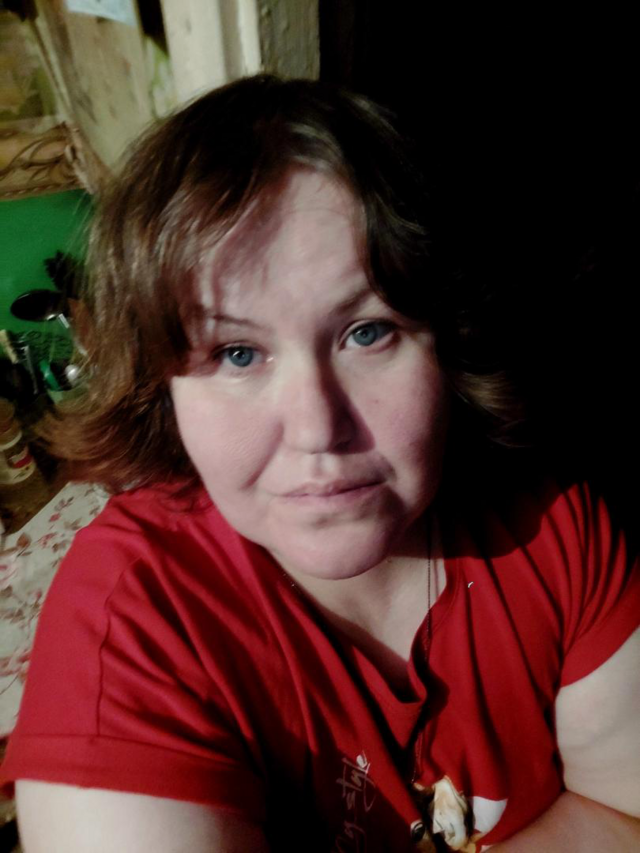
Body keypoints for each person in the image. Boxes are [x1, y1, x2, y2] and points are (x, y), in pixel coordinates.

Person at [1, 75, 639, 852]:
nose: (317, 429)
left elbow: (623, 809)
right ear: (160, 388)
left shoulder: (551, 523)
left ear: (448, 344)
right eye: (237, 352)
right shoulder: (131, 633)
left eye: (368, 332)